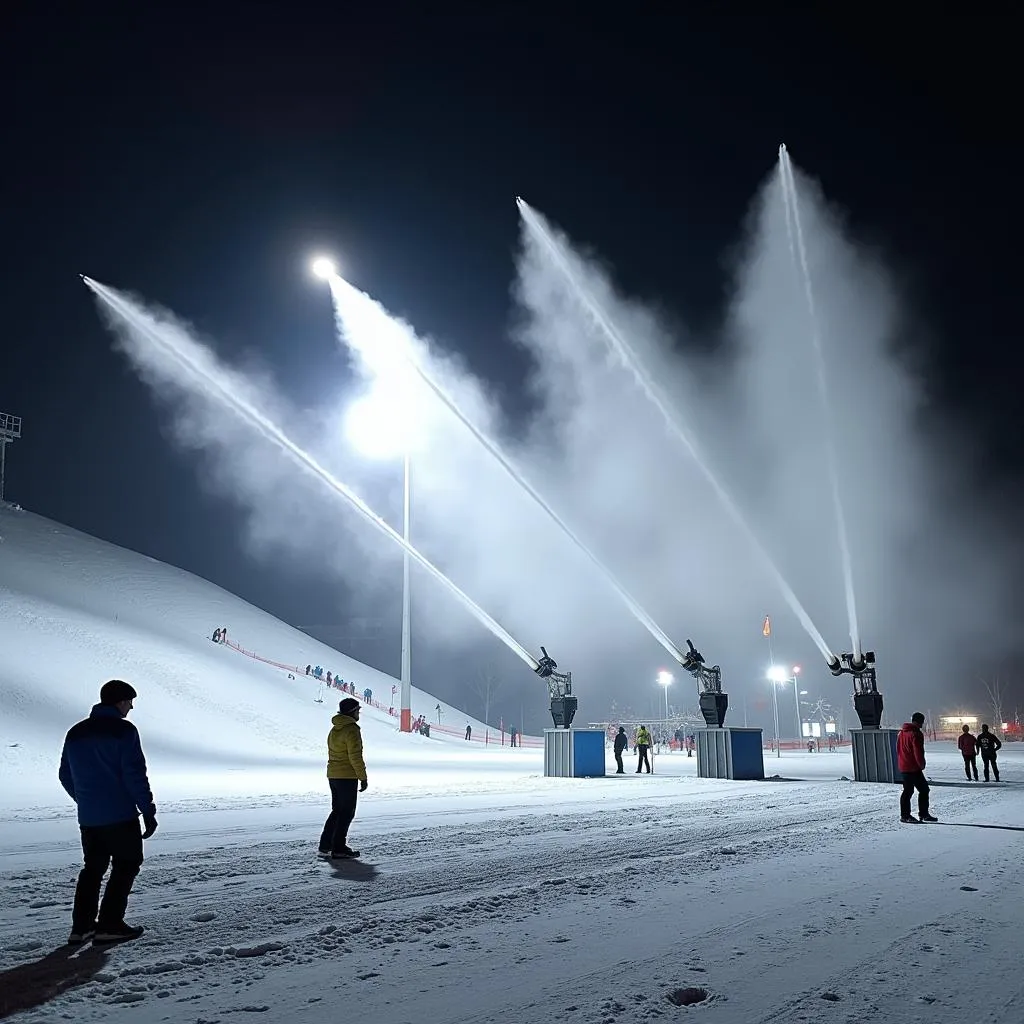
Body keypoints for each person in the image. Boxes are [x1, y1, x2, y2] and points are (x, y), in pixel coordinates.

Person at [58, 680, 157, 945]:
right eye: (129, 701)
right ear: (120, 701)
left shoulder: (76, 732)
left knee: (92, 869)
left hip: (89, 819)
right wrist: (147, 809)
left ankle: (81, 927)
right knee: (126, 866)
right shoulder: (124, 731)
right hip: (121, 816)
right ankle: (110, 924)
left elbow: (65, 774)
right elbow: (135, 774)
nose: (131, 707)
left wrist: (86, 801)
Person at [318, 697, 368, 860]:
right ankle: (339, 848)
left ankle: (326, 844)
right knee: (347, 812)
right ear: (352, 712)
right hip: (347, 776)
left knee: (337, 810)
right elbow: (355, 756)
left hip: (333, 774)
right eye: (357, 711)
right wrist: (363, 777)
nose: (359, 713)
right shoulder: (352, 729)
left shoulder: (334, 729)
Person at [897, 712, 937, 823]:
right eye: (922, 722)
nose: (922, 725)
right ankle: (914, 815)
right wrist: (921, 764)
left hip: (904, 765)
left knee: (909, 791)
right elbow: (918, 751)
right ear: (919, 722)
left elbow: (898, 749)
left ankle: (908, 815)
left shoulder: (901, 733)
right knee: (921, 790)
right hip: (913, 767)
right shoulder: (916, 734)